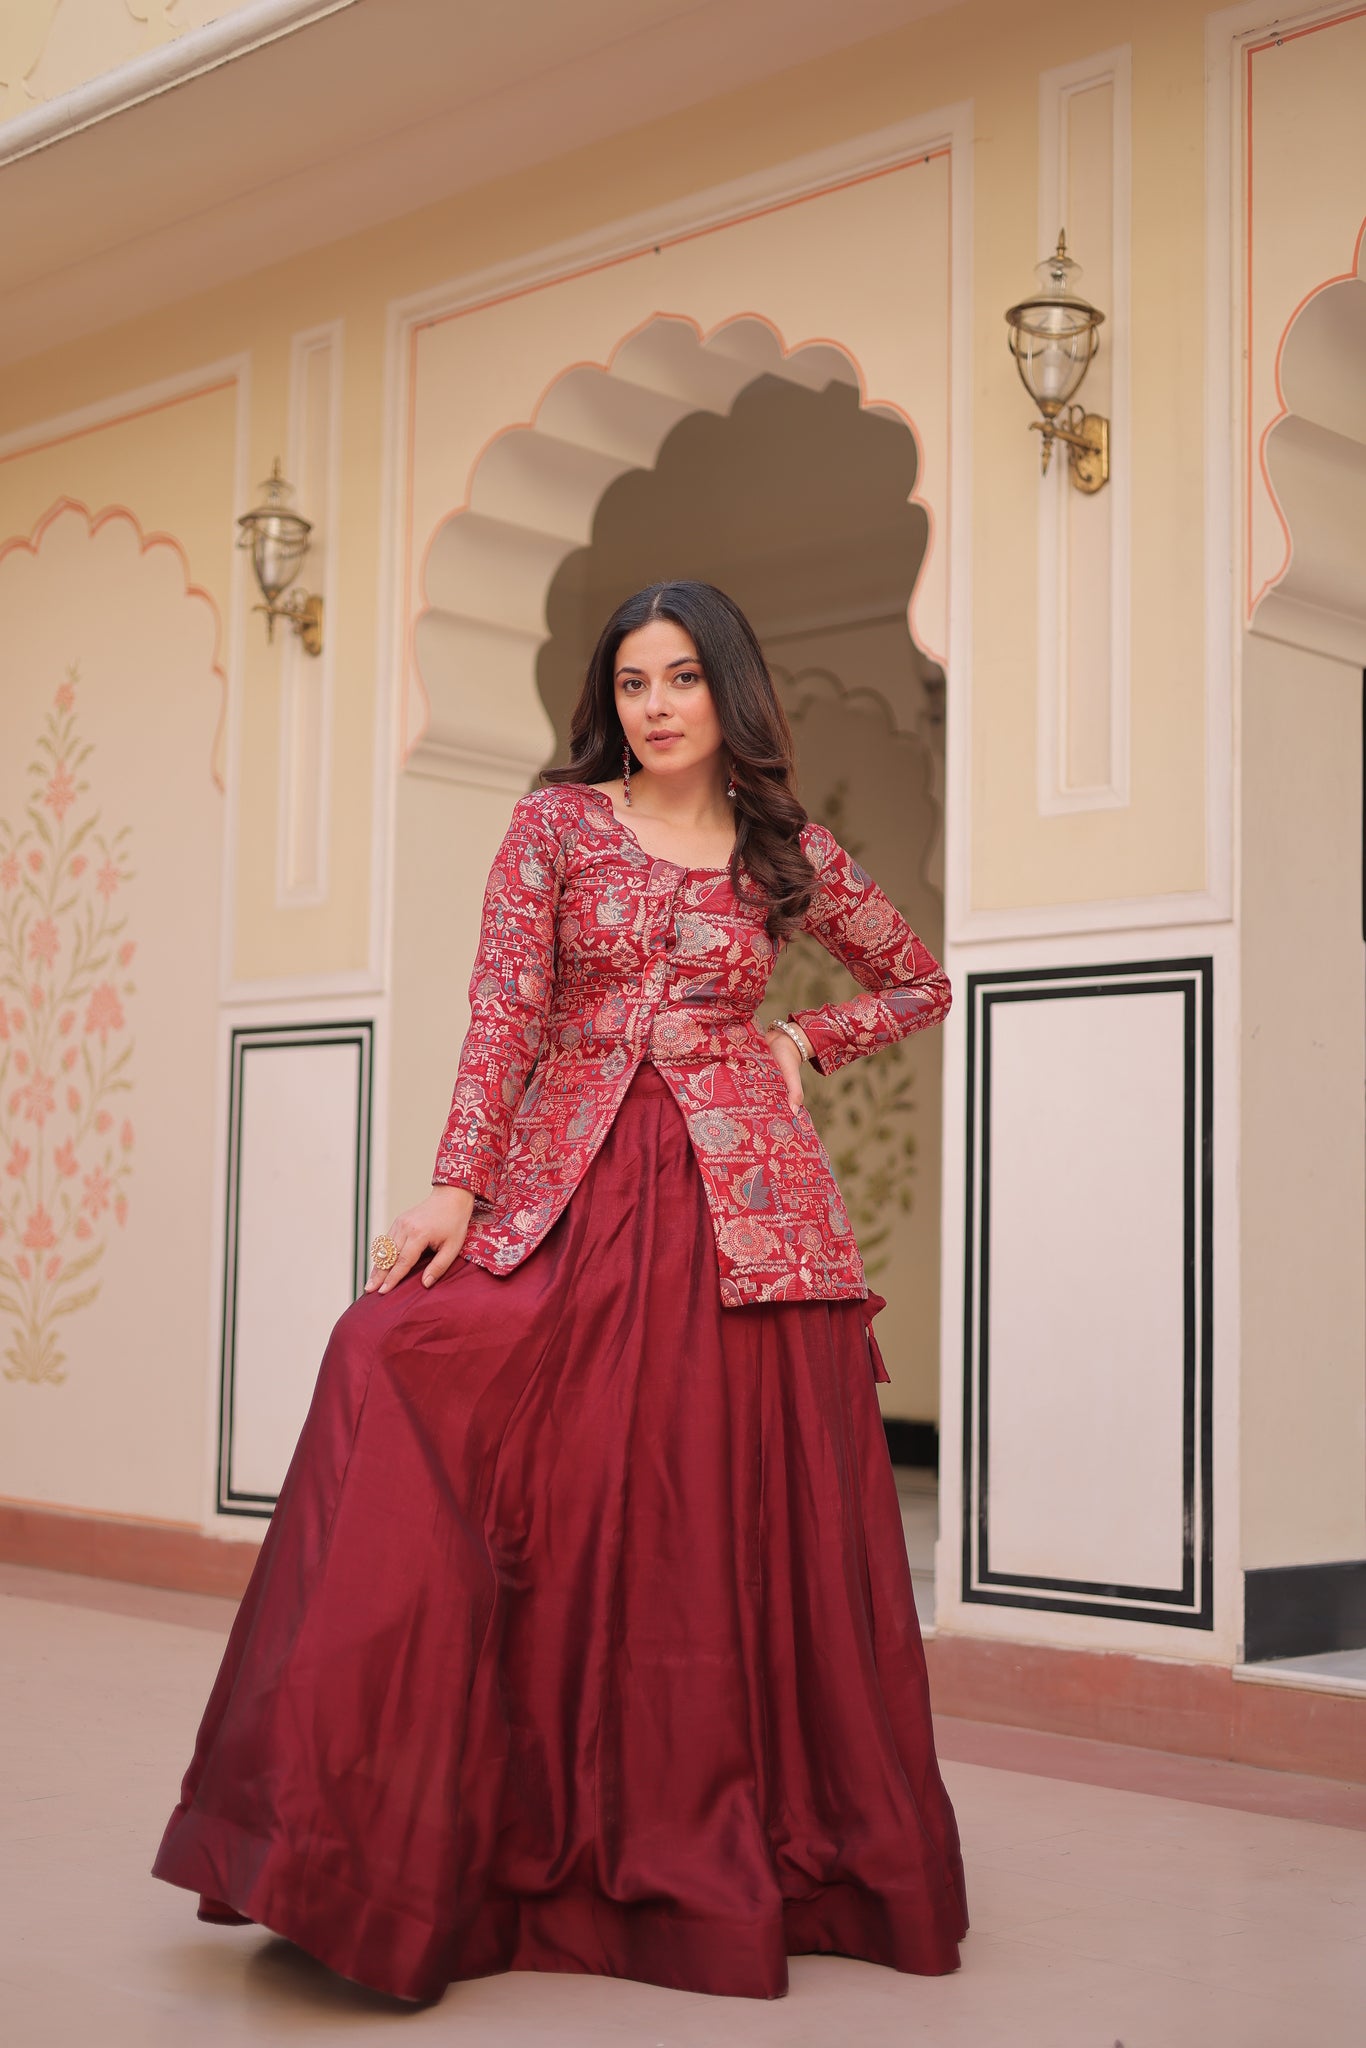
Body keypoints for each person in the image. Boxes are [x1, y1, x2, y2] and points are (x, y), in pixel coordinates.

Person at [152, 579, 968, 2005]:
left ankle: (688, 1854)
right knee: (392, 1356)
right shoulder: (555, 825)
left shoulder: (786, 852)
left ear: (729, 691)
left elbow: (917, 979)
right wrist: (456, 1187)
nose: (656, 705)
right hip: (566, 1193)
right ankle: (378, 1844)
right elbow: (501, 1008)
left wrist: (803, 1044)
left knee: (691, 1522)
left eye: (681, 678)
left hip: (746, 1220)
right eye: (634, 682)